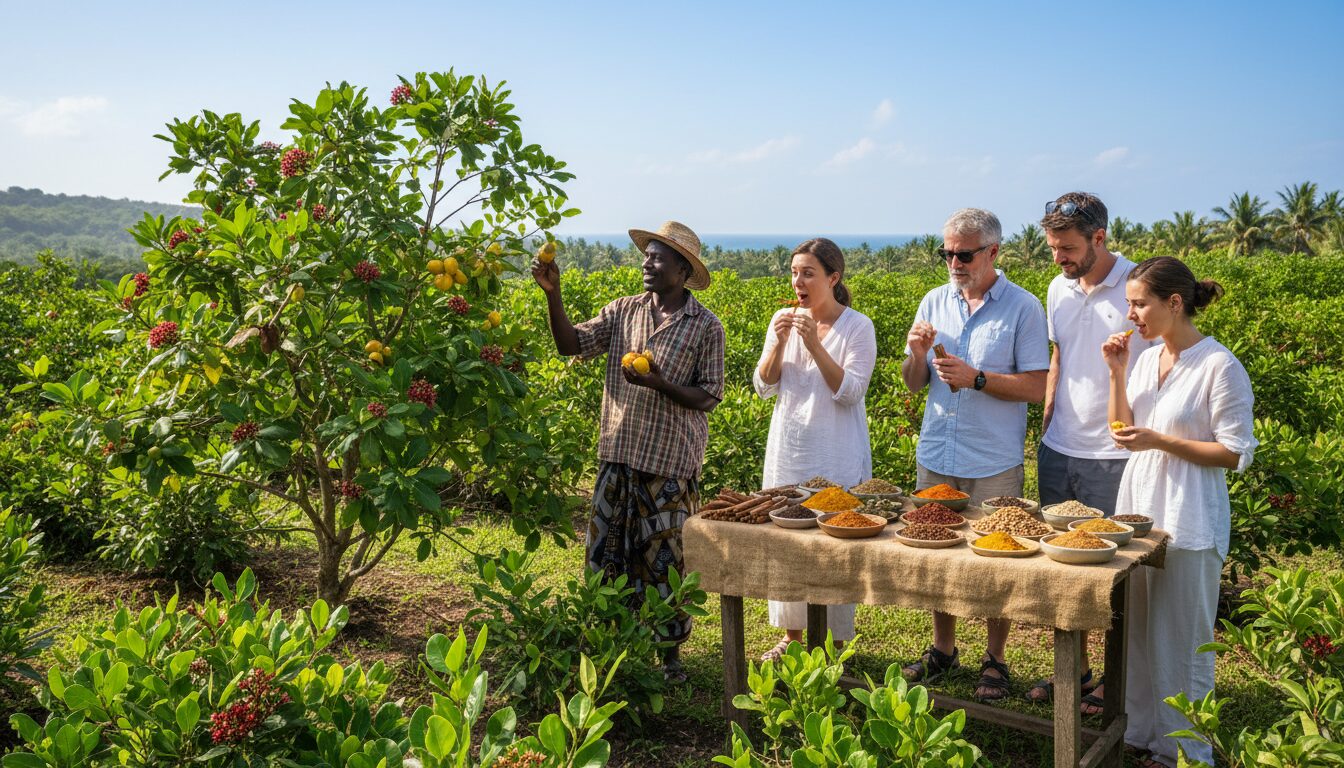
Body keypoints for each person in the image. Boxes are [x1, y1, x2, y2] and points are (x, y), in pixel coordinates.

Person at [531, 220, 726, 683]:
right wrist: (552, 295)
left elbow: (709, 396)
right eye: (647, 255)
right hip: (619, 453)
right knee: (606, 554)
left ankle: (669, 655)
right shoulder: (623, 311)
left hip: (670, 463)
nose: (647, 263)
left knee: (664, 558)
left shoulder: (705, 326)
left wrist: (658, 383)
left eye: (658, 258)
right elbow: (570, 344)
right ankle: (608, 644)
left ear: (682, 270)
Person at [1102, 256, 1256, 768]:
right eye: (1128, 304)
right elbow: (1124, 435)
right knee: (1140, 629)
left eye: (1139, 304)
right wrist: (1117, 374)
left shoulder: (1219, 365)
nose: (1131, 316)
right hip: (1141, 509)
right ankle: (1144, 734)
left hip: (1189, 512)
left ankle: (1186, 752)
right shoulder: (1145, 359)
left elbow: (1234, 452)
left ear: (1174, 302)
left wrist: (1161, 441)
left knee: (1183, 638)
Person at [899, 208, 1049, 702]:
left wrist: (978, 378)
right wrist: (916, 356)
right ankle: (943, 649)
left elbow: (1036, 385)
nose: (954, 262)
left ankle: (996, 659)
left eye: (964, 254)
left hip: (992, 459)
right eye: (947, 253)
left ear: (993, 252)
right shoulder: (933, 301)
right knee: (936, 552)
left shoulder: (1023, 308)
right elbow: (913, 382)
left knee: (996, 559)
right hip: (938, 449)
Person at [1027, 192, 1156, 708]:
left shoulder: (1135, 289)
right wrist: (1047, 421)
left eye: (1067, 247)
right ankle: (1075, 673)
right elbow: (1060, 356)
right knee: (1064, 568)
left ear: (1099, 238)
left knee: (1111, 571)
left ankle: (1113, 679)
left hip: (1115, 451)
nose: (1058, 258)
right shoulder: (1058, 289)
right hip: (1060, 447)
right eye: (1053, 247)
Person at [753, 237, 877, 661]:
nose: (798, 281)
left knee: (834, 545)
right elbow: (763, 384)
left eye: (808, 273)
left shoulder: (858, 326)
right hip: (789, 448)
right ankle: (791, 636)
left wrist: (814, 345)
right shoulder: (781, 319)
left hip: (836, 452)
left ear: (833, 277)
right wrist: (779, 342)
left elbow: (850, 392)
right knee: (787, 542)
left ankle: (837, 641)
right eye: (794, 272)